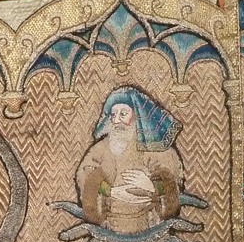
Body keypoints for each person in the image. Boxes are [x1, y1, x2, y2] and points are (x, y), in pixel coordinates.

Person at [76, 86, 184, 234]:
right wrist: (110, 191)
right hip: (109, 226)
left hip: (150, 225)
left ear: (137, 115)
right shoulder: (101, 148)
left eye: (123, 114)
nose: (116, 120)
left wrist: (151, 186)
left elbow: (172, 177)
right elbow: (85, 174)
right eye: (113, 115)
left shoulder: (156, 147)